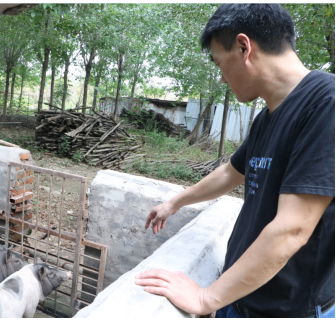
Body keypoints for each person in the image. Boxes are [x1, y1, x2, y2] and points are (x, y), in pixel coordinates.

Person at [134, 4, 335, 318]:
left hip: (286, 310)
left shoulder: (326, 104)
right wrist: (175, 203)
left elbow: (292, 229)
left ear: (244, 47)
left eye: (219, 63)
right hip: (241, 298)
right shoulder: (267, 116)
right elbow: (232, 172)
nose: (222, 77)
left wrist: (205, 299)